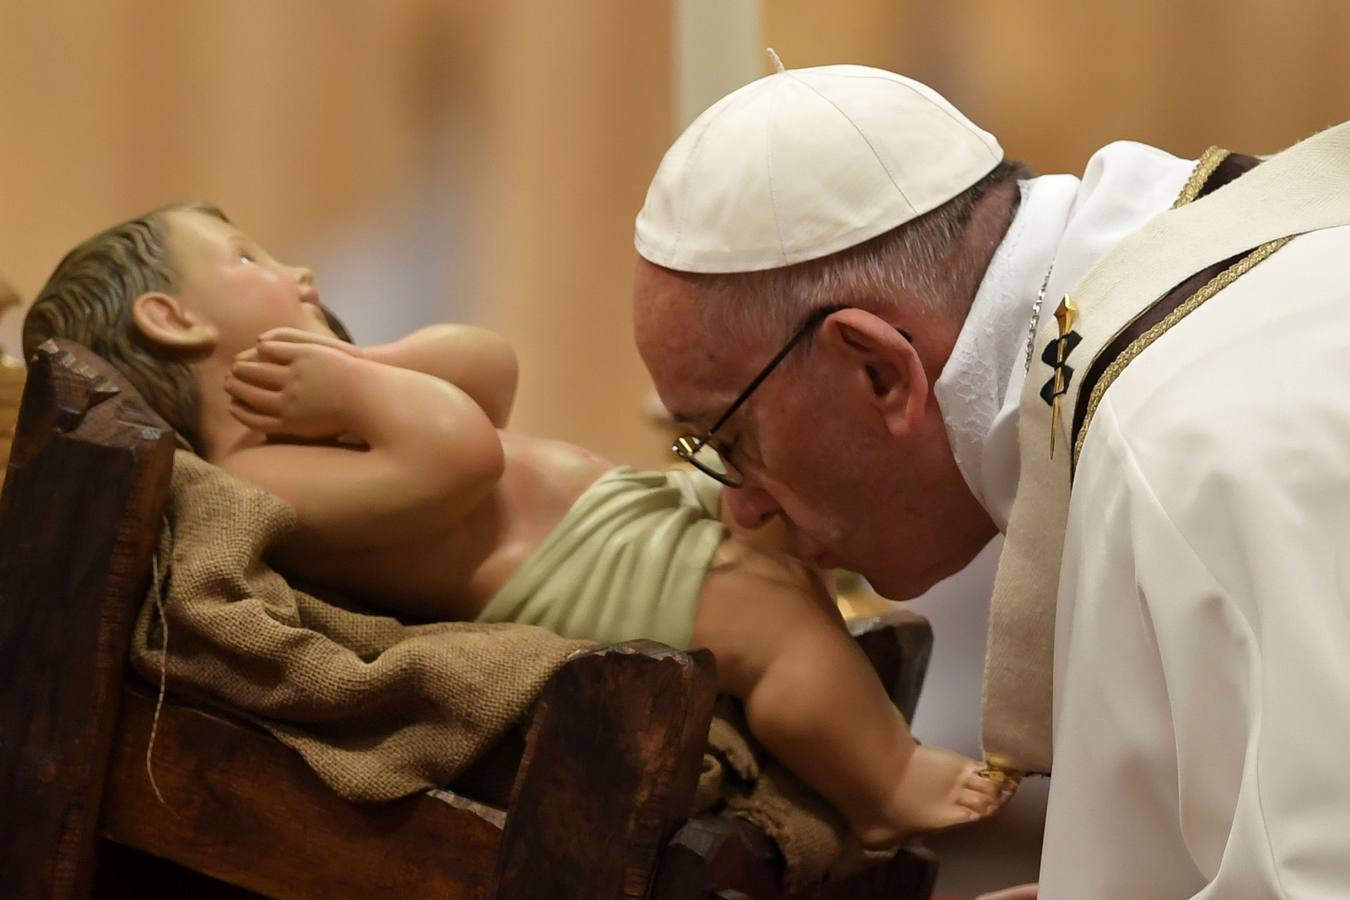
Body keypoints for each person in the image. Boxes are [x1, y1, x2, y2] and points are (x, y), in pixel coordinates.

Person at [21, 201, 1011, 850]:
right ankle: (883, 781)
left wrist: (366, 369)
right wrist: (363, 381)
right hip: (570, 580)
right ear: (172, 319)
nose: (298, 268)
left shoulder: (323, 405)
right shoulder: (259, 474)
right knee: (778, 631)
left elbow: (487, 369)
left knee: (781, 548)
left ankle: (859, 717)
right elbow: (460, 456)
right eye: (245, 259)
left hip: (615, 522)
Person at [631, 61, 1350, 897]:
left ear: (879, 373)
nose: (738, 506)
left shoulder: (1182, 442)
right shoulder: (1212, 305)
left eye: (728, 437)